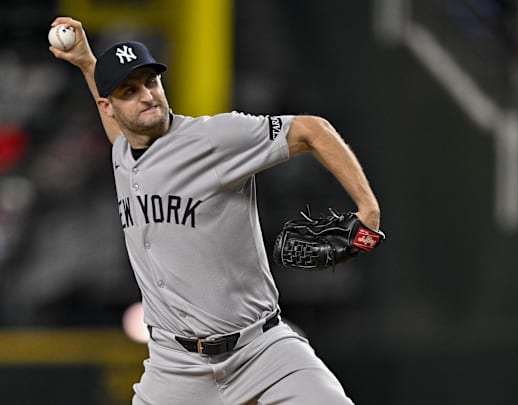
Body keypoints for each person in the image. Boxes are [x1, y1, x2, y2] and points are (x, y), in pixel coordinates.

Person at [49, 16, 381, 405]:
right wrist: (89, 63)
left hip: (262, 350)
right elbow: (119, 128)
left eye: (150, 82)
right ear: (108, 105)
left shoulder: (213, 139)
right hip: (174, 367)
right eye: (129, 90)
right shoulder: (123, 152)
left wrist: (367, 210)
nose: (147, 96)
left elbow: (313, 130)